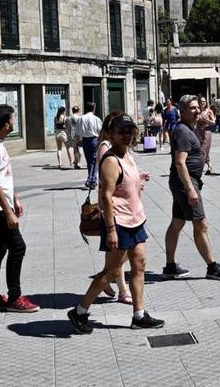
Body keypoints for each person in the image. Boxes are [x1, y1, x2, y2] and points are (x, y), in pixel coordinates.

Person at [68, 115, 164, 334]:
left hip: (136, 220)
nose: (127, 136)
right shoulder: (111, 160)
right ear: (111, 135)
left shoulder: (127, 154)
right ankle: (80, 311)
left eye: (130, 131)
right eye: (122, 132)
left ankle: (139, 315)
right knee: (111, 272)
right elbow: (106, 197)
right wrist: (110, 230)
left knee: (139, 266)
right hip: (119, 224)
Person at [163, 95, 220, 281]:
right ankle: (212, 267)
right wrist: (190, 189)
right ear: (183, 111)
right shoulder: (183, 131)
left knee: (177, 222)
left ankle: (170, 266)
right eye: (192, 108)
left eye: (197, 108)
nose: (196, 111)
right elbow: (180, 163)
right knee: (201, 223)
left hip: (183, 182)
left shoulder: (186, 129)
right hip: (186, 183)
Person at [0, 105, 39, 312]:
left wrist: (15, 198)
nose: (15, 122)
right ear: (6, 124)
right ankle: (15, 297)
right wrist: (8, 212)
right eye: (13, 119)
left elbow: (4, 179)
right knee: (17, 248)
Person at [95, 112, 133, 304]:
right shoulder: (106, 149)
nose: (126, 133)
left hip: (127, 210)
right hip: (113, 209)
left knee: (120, 255)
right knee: (120, 253)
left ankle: (115, 284)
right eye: (120, 130)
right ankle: (108, 281)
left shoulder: (122, 149)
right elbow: (106, 183)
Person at [76, 102, 103, 189]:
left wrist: (78, 142)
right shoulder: (96, 119)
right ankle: (90, 179)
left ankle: (93, 180)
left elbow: (77, 133)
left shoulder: (81, 119)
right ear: (93, 109)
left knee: (89, 161)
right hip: (94, 140)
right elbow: (101, 131)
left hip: (85, 141)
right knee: (94, 161)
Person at [196, 97, 216, 175]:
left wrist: (206, 120)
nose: (202, 103)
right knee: (202, 150)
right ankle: (209, 166)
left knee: (203, 150)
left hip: (206, 132)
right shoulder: (197, 111)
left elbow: (213, 122)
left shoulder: (209, 111)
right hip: (198, 132)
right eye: (201, 101)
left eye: (204, 101)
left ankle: (200, 168)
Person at [68, 105, 82, 170]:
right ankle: (78, 162)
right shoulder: (78, 118)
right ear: (78, 110)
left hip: (71, 135)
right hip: (77, 135)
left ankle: (76, 163)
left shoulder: (69, 118)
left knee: (75, 149)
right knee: (77, 149)